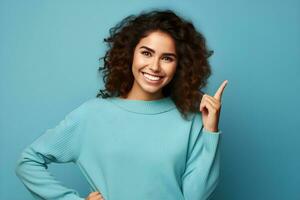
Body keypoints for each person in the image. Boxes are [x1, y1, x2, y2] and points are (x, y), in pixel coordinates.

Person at [15, 9, 228, 200]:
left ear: (179, 65)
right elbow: (29, 161)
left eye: (167, 58)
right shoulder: (93, 114)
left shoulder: (191, 120)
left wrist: (211, 131)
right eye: (146, 53)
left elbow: (194, 196)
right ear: (130, 55)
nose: (154, 66)